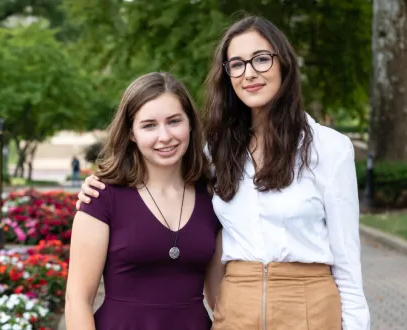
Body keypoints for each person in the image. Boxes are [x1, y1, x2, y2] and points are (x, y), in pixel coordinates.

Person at [75, 15, 370, 330]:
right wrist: (101, 183)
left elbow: (348, 267)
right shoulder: (216, 151)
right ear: (227, 75)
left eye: (261, 59)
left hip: (309, 310)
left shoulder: (329, 149)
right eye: (237, 64)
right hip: (236, 313)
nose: (250, 73)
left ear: (283, 63)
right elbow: (164, 170)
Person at [64, 72, 223, 330]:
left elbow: (219, 300)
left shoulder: (211, 198)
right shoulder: (102, 197)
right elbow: (77, 300)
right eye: (149, 125)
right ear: (132, 134)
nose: (165, 136)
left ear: (191, 123)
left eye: (174, 121)